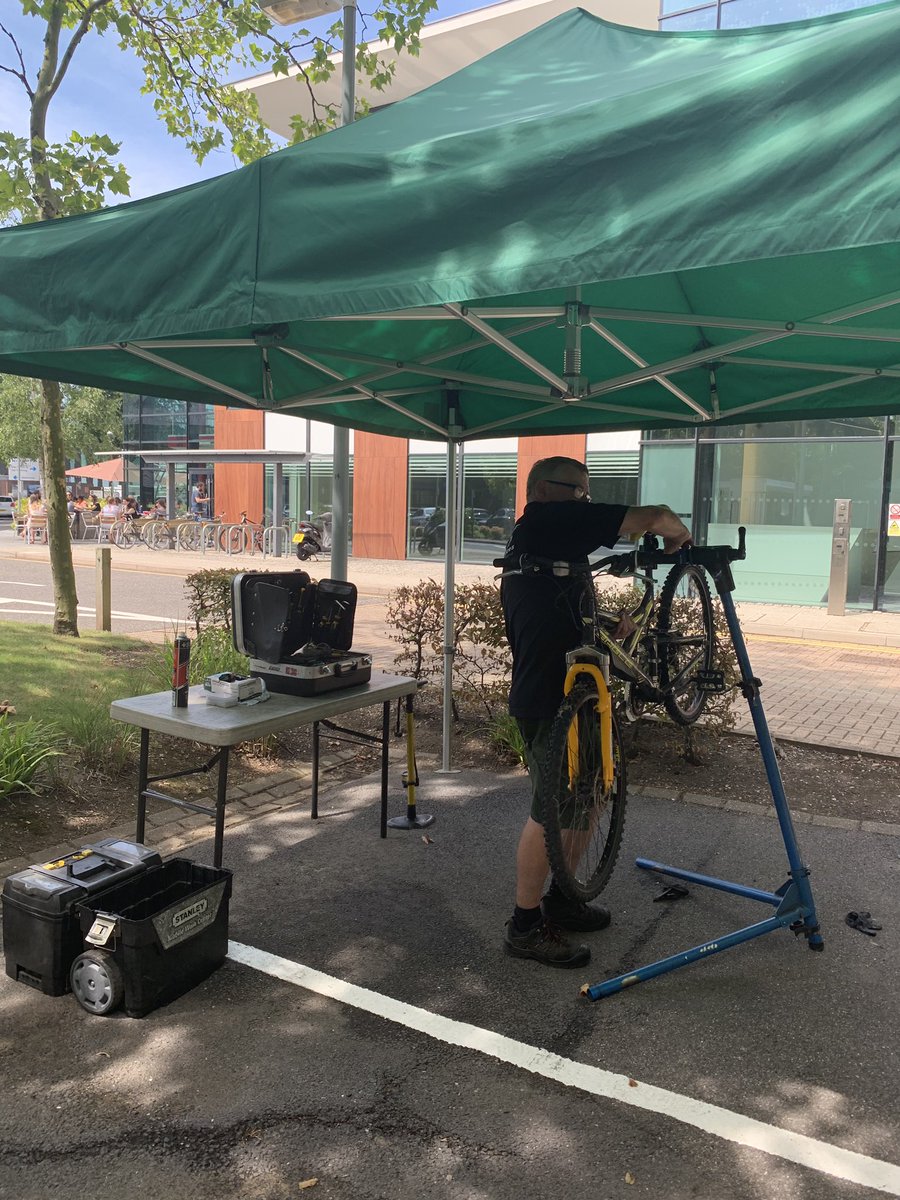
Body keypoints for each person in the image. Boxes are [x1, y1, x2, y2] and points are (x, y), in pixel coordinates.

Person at [499, 456, 692, 969]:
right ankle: (524, 926)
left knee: (586, 800)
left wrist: (606, 623)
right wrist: (677, 534)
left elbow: (554, 608)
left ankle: (562, 899)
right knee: (550, 810)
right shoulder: (546, 522)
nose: (585, 501)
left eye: (587, 494)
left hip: (571, 694)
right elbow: (656, 517)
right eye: (578, 492)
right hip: (549, 698)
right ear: (543, 491)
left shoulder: (548, 544)